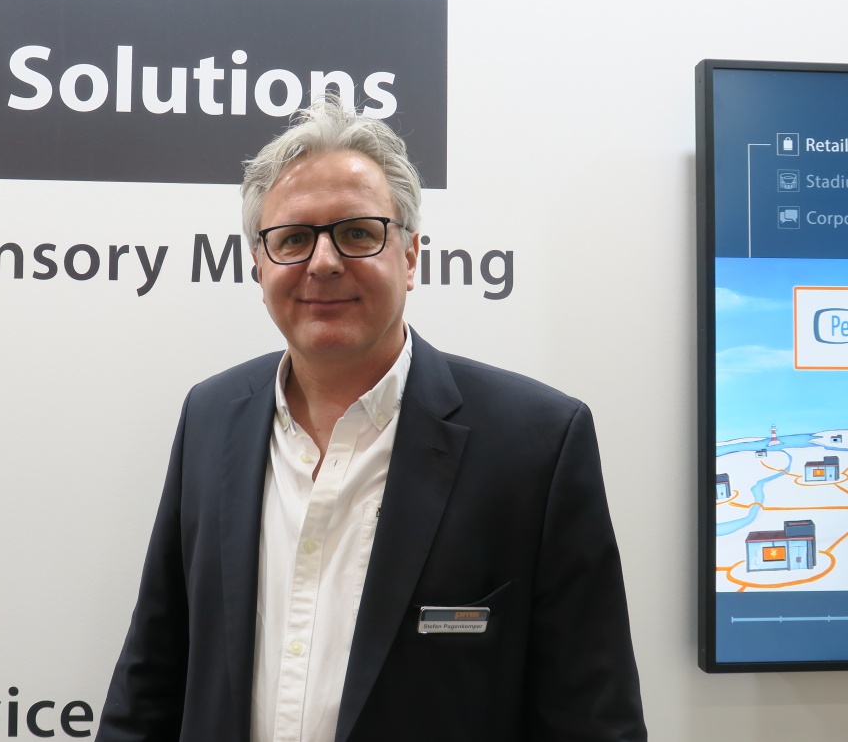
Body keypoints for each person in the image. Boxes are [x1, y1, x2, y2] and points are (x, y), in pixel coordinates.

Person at [96, 98, 646, 742]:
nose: (323, 262)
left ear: (410, 256)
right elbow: (152, 675)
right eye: (293, 238)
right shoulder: (211, 417)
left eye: (358, 232)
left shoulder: (538, 445)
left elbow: (592, 718)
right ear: (257, 264)